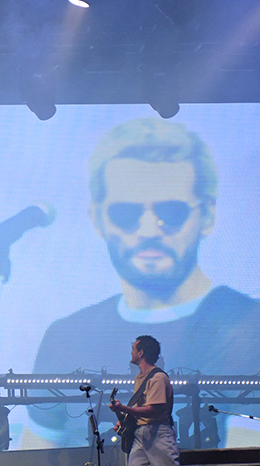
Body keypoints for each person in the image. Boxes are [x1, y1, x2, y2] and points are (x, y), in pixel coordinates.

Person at [32, 118, 260, 439]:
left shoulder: (251, 328)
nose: (149, 229)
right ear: (97, 218)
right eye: (126, 213)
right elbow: (36, 459)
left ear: (207, 215)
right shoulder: (64, 337)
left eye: (172, 211)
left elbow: (246, 458)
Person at [108, 335, 210, 466]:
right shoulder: (140, 378)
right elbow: (142, 409)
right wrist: (124, 419)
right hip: (140, 435)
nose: (131, 352)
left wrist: (124, 408)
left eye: (134, 348)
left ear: (141, 352)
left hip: (158, 434)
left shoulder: (158, 378)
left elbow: (155, 409)